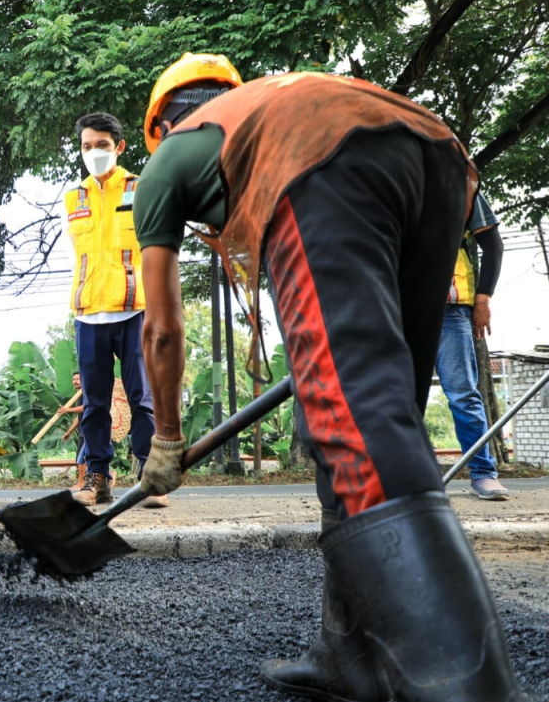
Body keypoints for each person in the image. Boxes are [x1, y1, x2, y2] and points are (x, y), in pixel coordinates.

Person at [133, 53, 527, 702]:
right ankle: (349, 655)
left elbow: (161, 329)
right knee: (383, 417)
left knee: (354, 422)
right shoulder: (264, 106)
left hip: (324, 160)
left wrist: (167, 440)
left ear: (161, 126)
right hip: (438, 160)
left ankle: (472, 689)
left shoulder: (175, 157)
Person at [61, 113, 158, 507]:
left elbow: (155, 246)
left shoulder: (141, 188)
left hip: (135, 310)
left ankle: (151, 479)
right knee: (95, 404)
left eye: (101, 145)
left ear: (119, 147)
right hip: (89, 314)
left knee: (142, 399)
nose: (94, 152)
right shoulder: (74, 197)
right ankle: (97, 479)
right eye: (87, 146)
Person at [437, 191, 509, 501]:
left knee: (463, 395)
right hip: (396, 309)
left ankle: (483, 473)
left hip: (450, 309)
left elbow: (493, 245)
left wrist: (483, 299)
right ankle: (398, 480)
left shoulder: (460, 183)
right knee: (394, 396)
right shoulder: (379, 177)